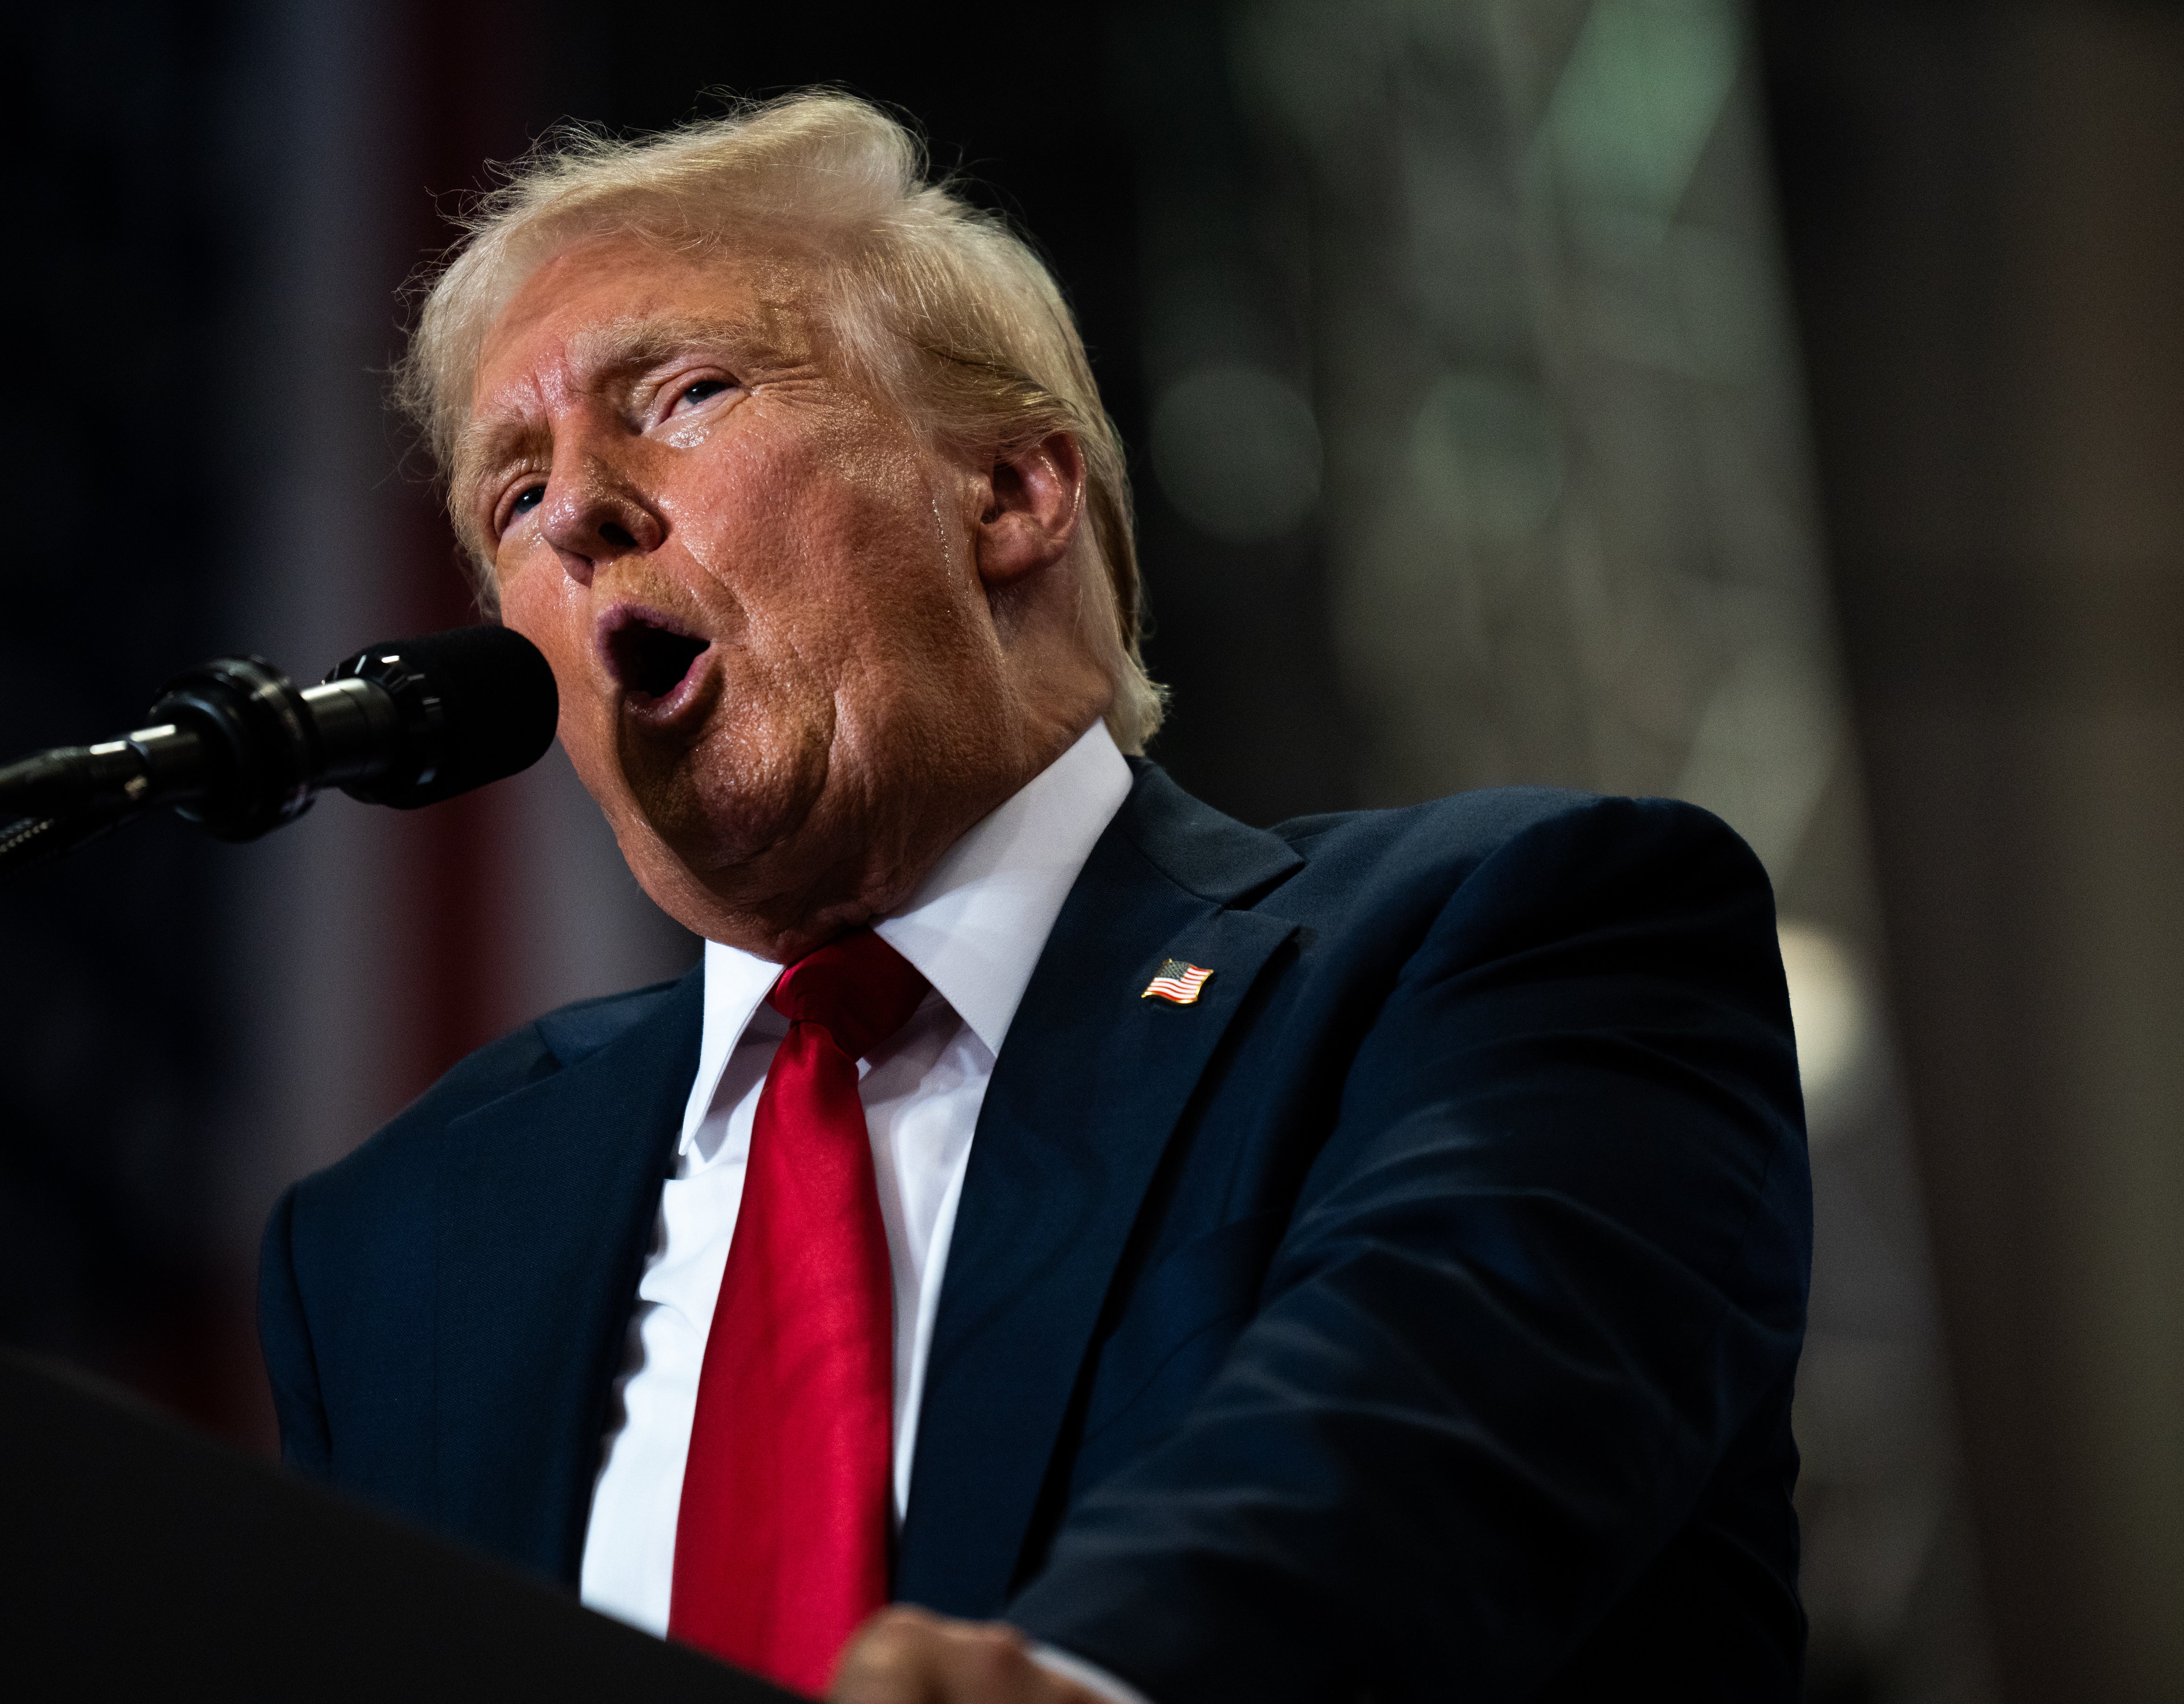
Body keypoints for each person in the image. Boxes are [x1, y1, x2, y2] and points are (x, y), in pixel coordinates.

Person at [258, 93, 1810, 1704]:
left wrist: (1085, 1672)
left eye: (688, 395)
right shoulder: (400, 1236)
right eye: (510, 496)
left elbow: (1433, 1420)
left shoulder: (1498, 941)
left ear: (1010, 493)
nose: (576, 513)